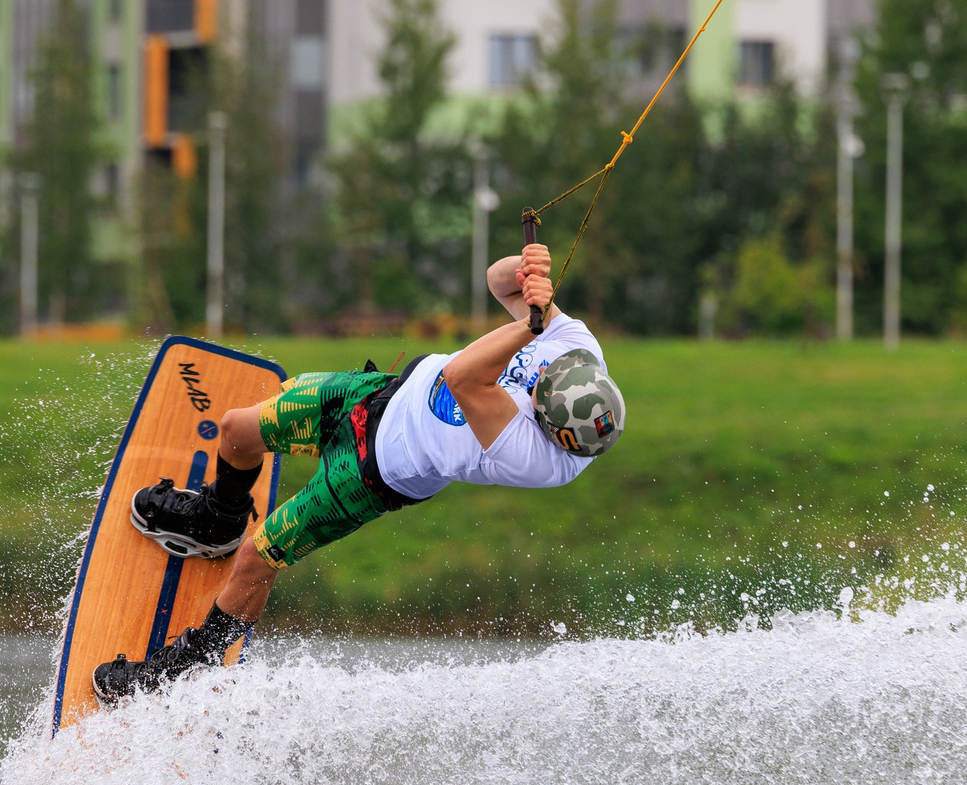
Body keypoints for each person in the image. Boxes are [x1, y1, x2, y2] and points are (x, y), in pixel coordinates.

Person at [93, 241, 624, 701]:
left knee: (260, 556)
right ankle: (217, 518)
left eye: (534, 395)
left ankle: (187, 669)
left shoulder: (543, 460)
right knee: (236, 429)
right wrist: (527, 275)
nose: (533, 383)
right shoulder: (576, 350)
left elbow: (463, 376)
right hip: (377, 395)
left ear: (553, 427)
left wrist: (531, 325)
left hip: (374, 472)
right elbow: (497, 282)